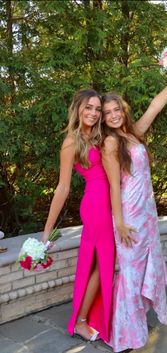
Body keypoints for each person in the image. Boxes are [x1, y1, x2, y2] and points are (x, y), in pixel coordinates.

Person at [101, 75, 167, 352]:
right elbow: (114, 186)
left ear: (123, 110)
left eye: (116, 110)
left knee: (141, 272)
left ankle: (134, 327)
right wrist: (120, 223)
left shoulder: (132, 133)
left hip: (147, 215)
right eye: (107, 113)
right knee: (130, 276)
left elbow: (155, 106)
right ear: (103, 119)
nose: (113, 116)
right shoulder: (111, 143)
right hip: (130, 217)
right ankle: (126, 336)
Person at [41, 89, 115, 342]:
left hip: (112, 202)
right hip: (96, 205)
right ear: (78, 109)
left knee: (105, 262)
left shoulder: (101, 135)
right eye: (89, 107)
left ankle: (93, 317)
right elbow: (63, 187)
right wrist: (47, 230)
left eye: (97, 109)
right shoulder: (72, 142)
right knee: (98, 263)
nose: (93, 113)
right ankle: (82, 321)